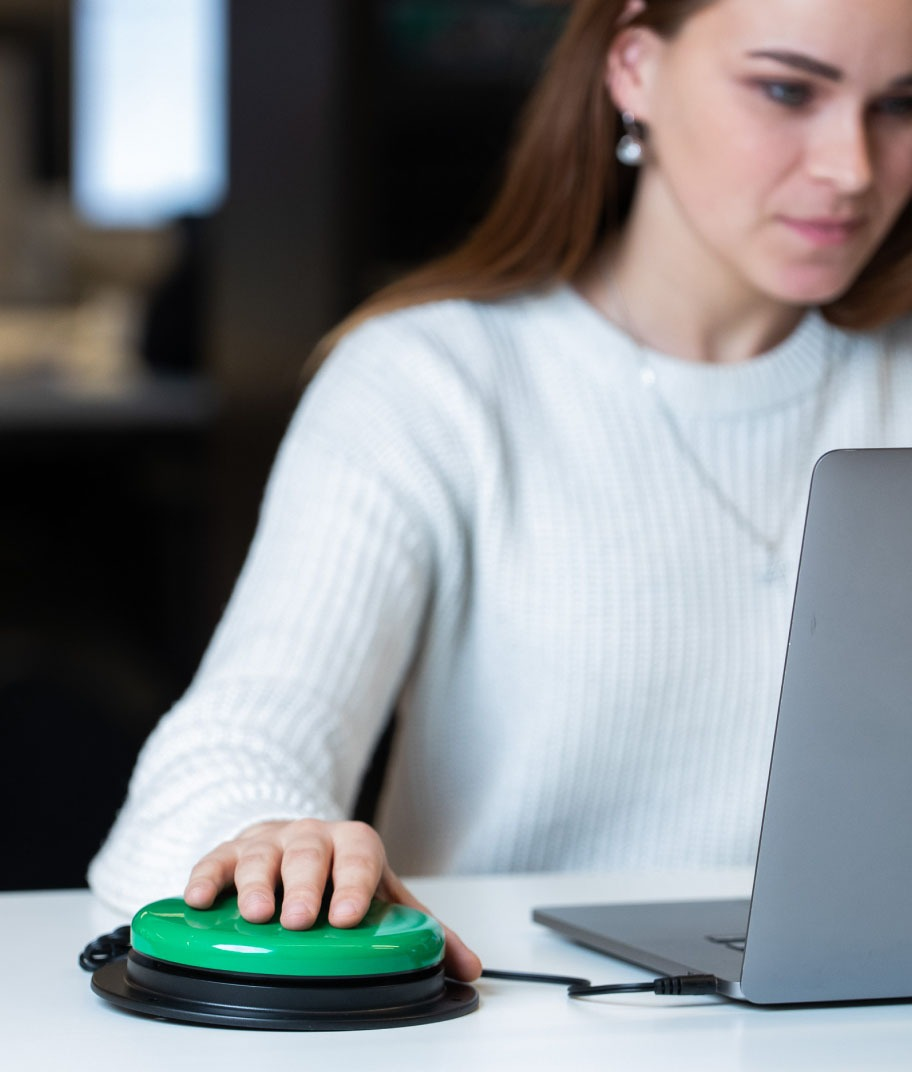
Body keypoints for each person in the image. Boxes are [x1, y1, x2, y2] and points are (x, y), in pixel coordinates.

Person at [88, 0, 912, 982]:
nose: (853, 168)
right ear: (634, 67)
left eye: (902, 105)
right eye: (787, 90)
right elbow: (232, 738)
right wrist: (273, 840)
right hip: (506, 1052)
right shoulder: (428, 381)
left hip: (856, 1050)